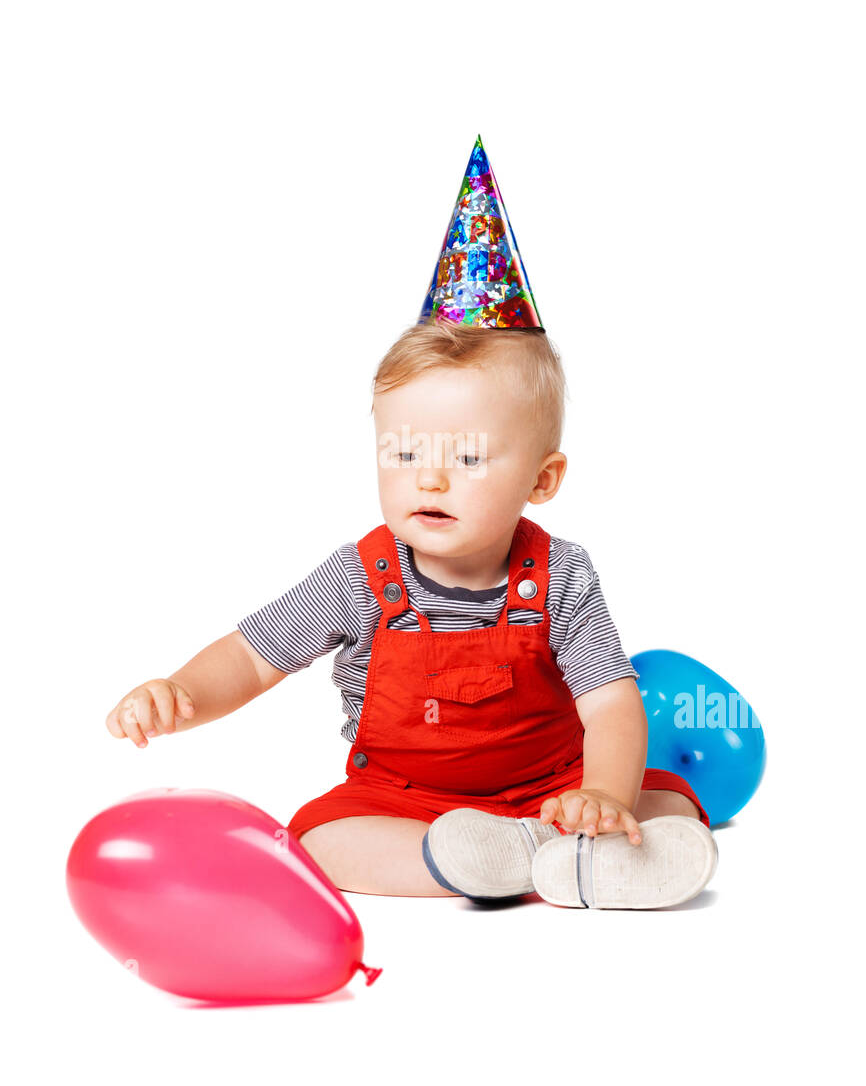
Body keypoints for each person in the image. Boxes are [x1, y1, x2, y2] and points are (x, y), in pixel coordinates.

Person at [105, 139, 718, 909]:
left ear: (542, 480)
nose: (428, 476)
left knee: (673, 801)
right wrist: (180, 691)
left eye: (466, 456)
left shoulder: (562, 575)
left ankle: (569, 842)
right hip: (409, 799)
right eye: (403, 451)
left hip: (552, 786)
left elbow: (611, 703)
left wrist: (603, 793)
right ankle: (521, 861)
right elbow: (254, 657)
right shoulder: (360, 575)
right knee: (321, 842)